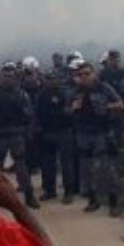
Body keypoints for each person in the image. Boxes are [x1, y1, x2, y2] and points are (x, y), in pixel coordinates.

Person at [68, 62, 124, 216]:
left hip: (102, 132)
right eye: (81, 74)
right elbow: (66, 110)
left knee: (107, 168)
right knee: (86, 170)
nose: (84, 77)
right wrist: (72, 107)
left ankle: (114, 203)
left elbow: (121, 104)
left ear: (93, 73)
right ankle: (92, 200)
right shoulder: (75, 91)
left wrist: (106, 107)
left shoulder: (104, 87)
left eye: (87, 73)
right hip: (83, 133)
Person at [0, 63, 38, 209]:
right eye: (5, 76)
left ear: (15, 78)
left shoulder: (21, 95)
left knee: (21, 167)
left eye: (11, 76)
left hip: (16, 134)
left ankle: (29, 196)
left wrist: (28, 132)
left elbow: (29, 116)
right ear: (1, 78)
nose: (8, 79)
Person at [36, 71, 76, 204]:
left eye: (54, 79)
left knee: (66, 164)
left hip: (63, 132)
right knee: (47, 164)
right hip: (47, 132)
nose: (51, 81)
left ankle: (68, 191)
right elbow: (38, 113)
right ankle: (50, 191)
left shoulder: (65, 93)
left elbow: (69, 112)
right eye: (49, 79)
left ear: (58, 80)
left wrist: (60, 113)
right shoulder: (42, 95)